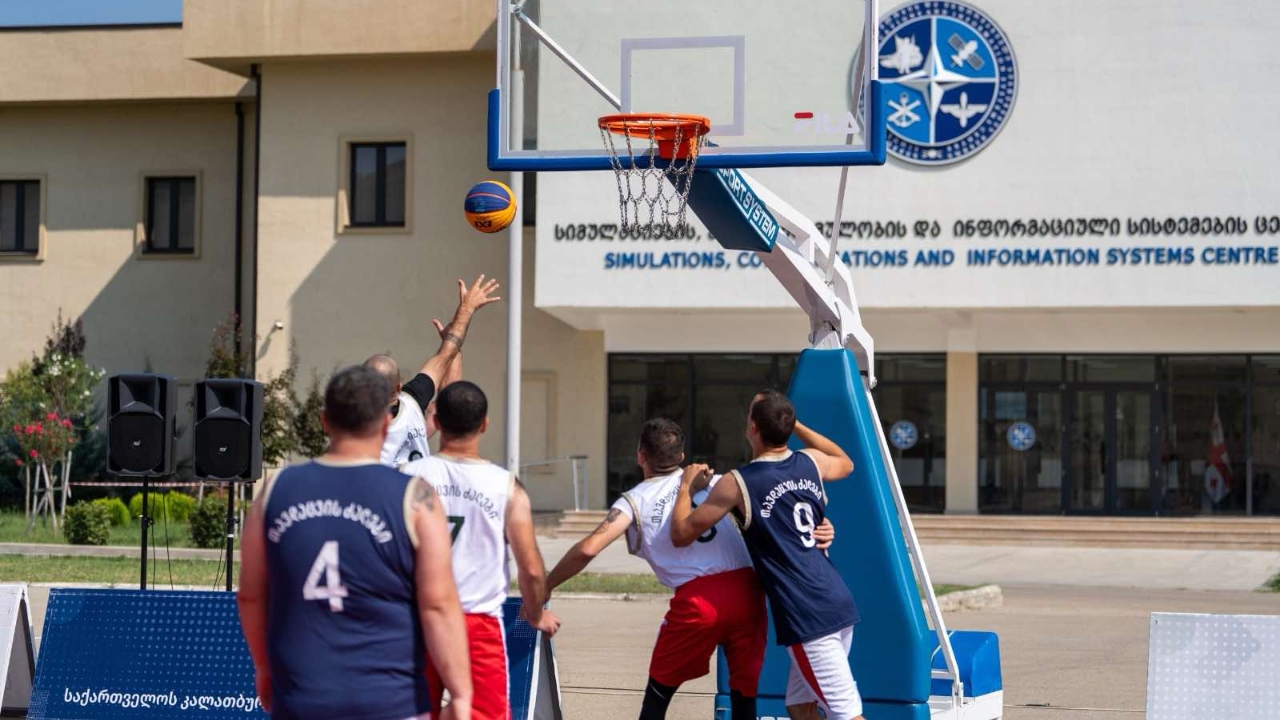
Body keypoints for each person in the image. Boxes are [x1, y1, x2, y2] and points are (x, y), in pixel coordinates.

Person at [544, 418, 834, 720]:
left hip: (699, 602)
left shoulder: (634, 501)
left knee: (657, 696)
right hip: (749, 594)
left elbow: (589, 549)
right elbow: (779, 511)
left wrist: (547, 584)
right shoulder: (720, 482)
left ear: (640, 455)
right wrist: (822, 525)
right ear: (681, 456)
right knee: (744, 698)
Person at [237, 365, 473, 720]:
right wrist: (460, 690)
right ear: (384, 424)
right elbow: (438, 605)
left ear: (323, 421)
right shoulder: (416, 497)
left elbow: (252, 595)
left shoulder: (274, 491)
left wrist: (262, 667)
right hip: (391, 699)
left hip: (304, 694)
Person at [669, 389, 862, 720]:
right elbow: (846, 461)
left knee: (847, 715)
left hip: (808, 614)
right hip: (836, 598)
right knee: (799, 707)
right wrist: (793, 424)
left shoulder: (738, 483)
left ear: (753, 429)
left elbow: (681, 534)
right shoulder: (810, 461)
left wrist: (686, 488)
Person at [402, 381, 560, 720]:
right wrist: (535, 614)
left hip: (416, 621)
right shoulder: (504, 486)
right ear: (485, 423)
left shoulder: (406, 477)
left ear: (438, 421)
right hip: (475, 623)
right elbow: (531, 569)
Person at [366, 274, 501, 466]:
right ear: (397, 388)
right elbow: (445, 359)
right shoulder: (412, 402)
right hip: (416, 493)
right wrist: (466, 310)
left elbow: (448, 397)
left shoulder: (356, 427)